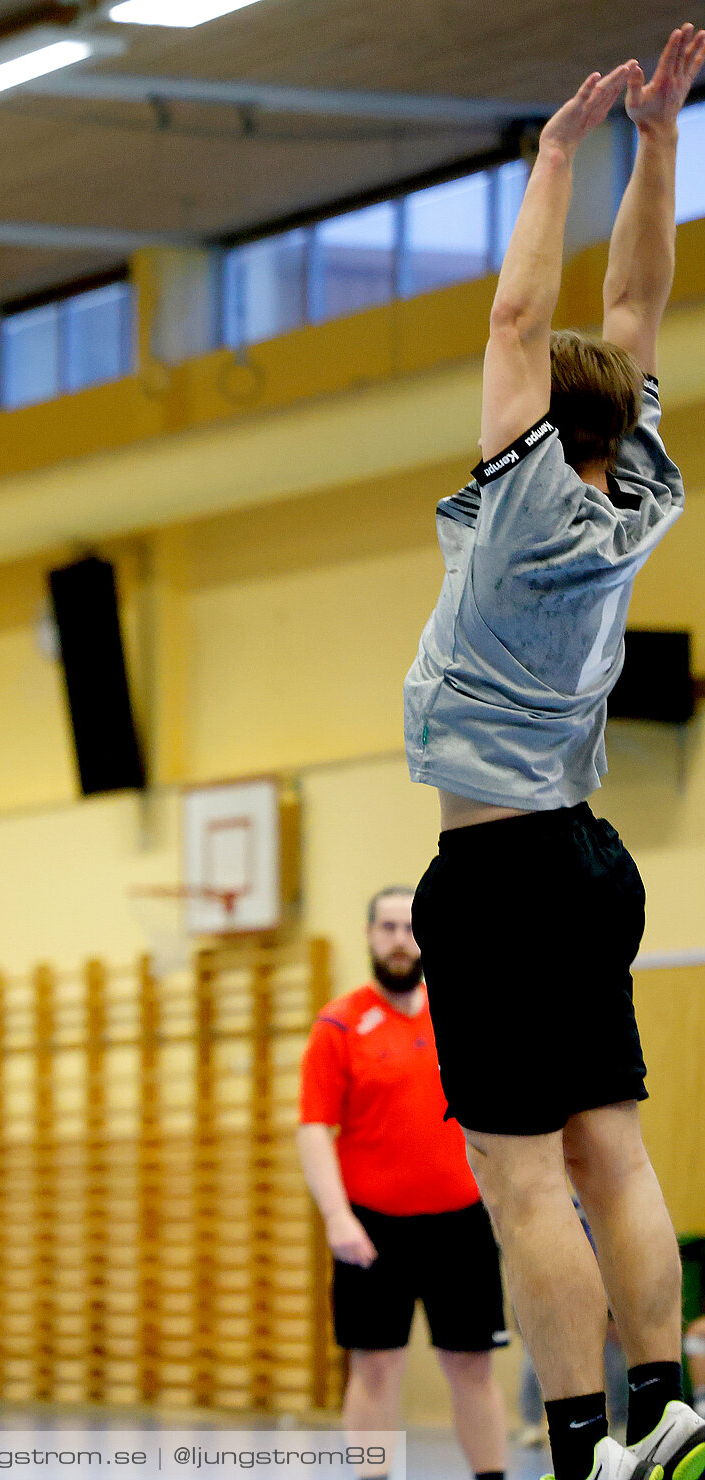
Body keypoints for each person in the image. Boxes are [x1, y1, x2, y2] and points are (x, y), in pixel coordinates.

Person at [403, 26, 705, 1480]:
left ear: (536, 425)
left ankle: (579, 1444)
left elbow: (527, 313)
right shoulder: (631, 491)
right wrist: (664, 146)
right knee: (617, 1153)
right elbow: (637, 299)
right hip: (589, 858)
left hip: (506, 864)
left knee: (521, 1177)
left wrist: (558, 155)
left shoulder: (523, 504)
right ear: (615, 422)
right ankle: (668, 1402)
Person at [297, 886, 509, 1480]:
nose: (399, 940)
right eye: (387, 927)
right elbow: (314, 1127)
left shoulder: (460, 1016)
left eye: (410, 927)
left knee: (472, 1367)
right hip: (372, 1226)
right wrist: (338, 1217)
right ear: (369, 935)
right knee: (376, 1367)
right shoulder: (338, 1024)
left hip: (462, 1222)